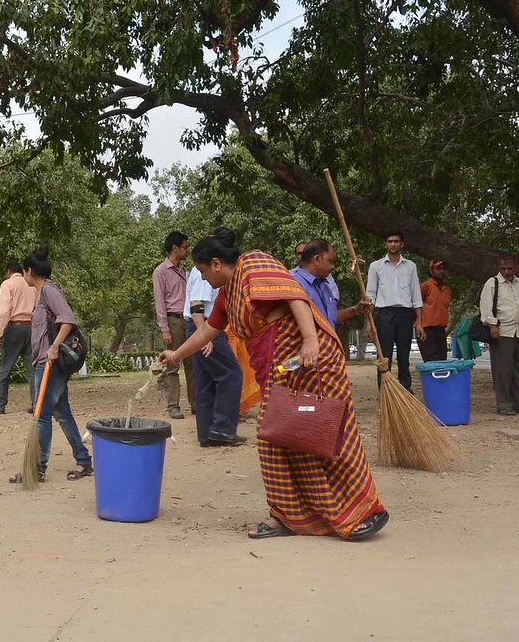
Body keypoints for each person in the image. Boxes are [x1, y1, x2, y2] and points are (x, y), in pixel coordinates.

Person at [161, 228, 388, 541]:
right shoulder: (229, 292)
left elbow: (296, 297)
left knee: (325, 432)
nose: (204, 279)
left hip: (306, 360)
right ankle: (292, 514)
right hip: (282, 367)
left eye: (201, 271)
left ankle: (360, 510)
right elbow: (206, 332)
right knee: (284, 438)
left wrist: (309, 341)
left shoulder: (254, 263)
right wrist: (175, 355)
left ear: (216, 263)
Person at [9, 245, 93, 482]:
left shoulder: (48, 291)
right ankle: (84, 461)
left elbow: (68, 320)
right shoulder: (42, 292)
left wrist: (54, 347)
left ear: (28, 271)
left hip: (50, 364)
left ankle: (38, 469)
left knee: (42, 414)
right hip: (45, 362)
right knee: (62, 413)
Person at [184, 258, 245, 447]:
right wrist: (206, 336)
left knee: (205, 382)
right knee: (231, 374)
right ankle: (223, 429)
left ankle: (207, 434)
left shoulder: (202, 269)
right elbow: (196, 304)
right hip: (206, 327)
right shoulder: (205, 271)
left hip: (200, 327)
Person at [366, 230, 424, 390]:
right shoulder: (375, 266)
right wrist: (369, 322)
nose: (393, 244)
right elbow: (370, 294)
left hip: (405, 314)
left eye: (396, 241)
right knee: (384, 356)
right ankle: (385, 391)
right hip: (384, 314)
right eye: (390, 241)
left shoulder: (410, 266)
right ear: (385, 244)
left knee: (404, 355)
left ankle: (406, 389)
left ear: (402, 244)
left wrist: (419, 321)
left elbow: (416, 295)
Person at [480, 257, 519, 416]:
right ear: (499, 267)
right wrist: (492, 325)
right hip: (502, 332)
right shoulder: (492, 283)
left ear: (516, 268)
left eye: (510, 268)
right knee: (503, 370)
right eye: (503, 268)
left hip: (518, 332)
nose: (506, 272)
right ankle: (503, 403)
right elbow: (485, 307)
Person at [152, 230, 194, 419]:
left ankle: (196, 403)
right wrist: (164, 329)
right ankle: (173, 405)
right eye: (184, 247)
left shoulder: (187, 271)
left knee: (193, 364)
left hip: (188, 319)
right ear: (175, 248)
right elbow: (159, 302)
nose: (187, 250)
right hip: (172, 320)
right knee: (173, 364)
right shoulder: (161, 272)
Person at [0, 261, 36, 415]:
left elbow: (4, 311)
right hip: (31, 327)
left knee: (5, 368)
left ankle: (0, 404)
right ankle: (37, 404)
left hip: (14, 327)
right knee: (32, 370)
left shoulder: (7, 284)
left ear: (8, 272)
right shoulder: (31, 285)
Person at [290, 239, 372, 325]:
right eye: (330, 261)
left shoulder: (326, 286)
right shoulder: (294, 284)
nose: (333, 266)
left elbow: (329, 319)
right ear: (317, 259)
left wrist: (355, 310)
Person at [418, 260, 452, 361]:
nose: (441, 271)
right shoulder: (425, 286)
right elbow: (415, 305)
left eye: (443, 269)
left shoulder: (447, 289)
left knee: (442, 362)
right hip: (426, 330)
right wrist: (418, 324)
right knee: (431, 362)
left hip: (440, 330)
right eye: (438, 268)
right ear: (431, 270)